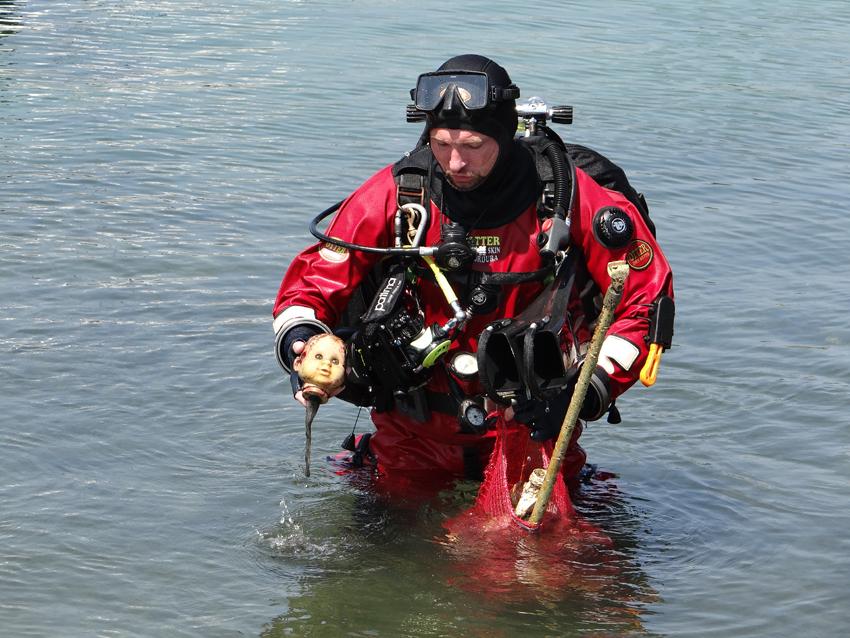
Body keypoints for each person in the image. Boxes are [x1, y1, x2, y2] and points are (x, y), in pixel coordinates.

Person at [273, 54, 674, 496]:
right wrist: (302, 344)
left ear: (503, 134)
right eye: (441, 144)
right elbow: (310, 285)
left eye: (472, 145)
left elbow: (645, 299)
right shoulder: (400, 195)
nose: (455, 163)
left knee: (553, 542)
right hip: (410, 436)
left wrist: (584, 393)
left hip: (533, 429)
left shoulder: (565, 196)